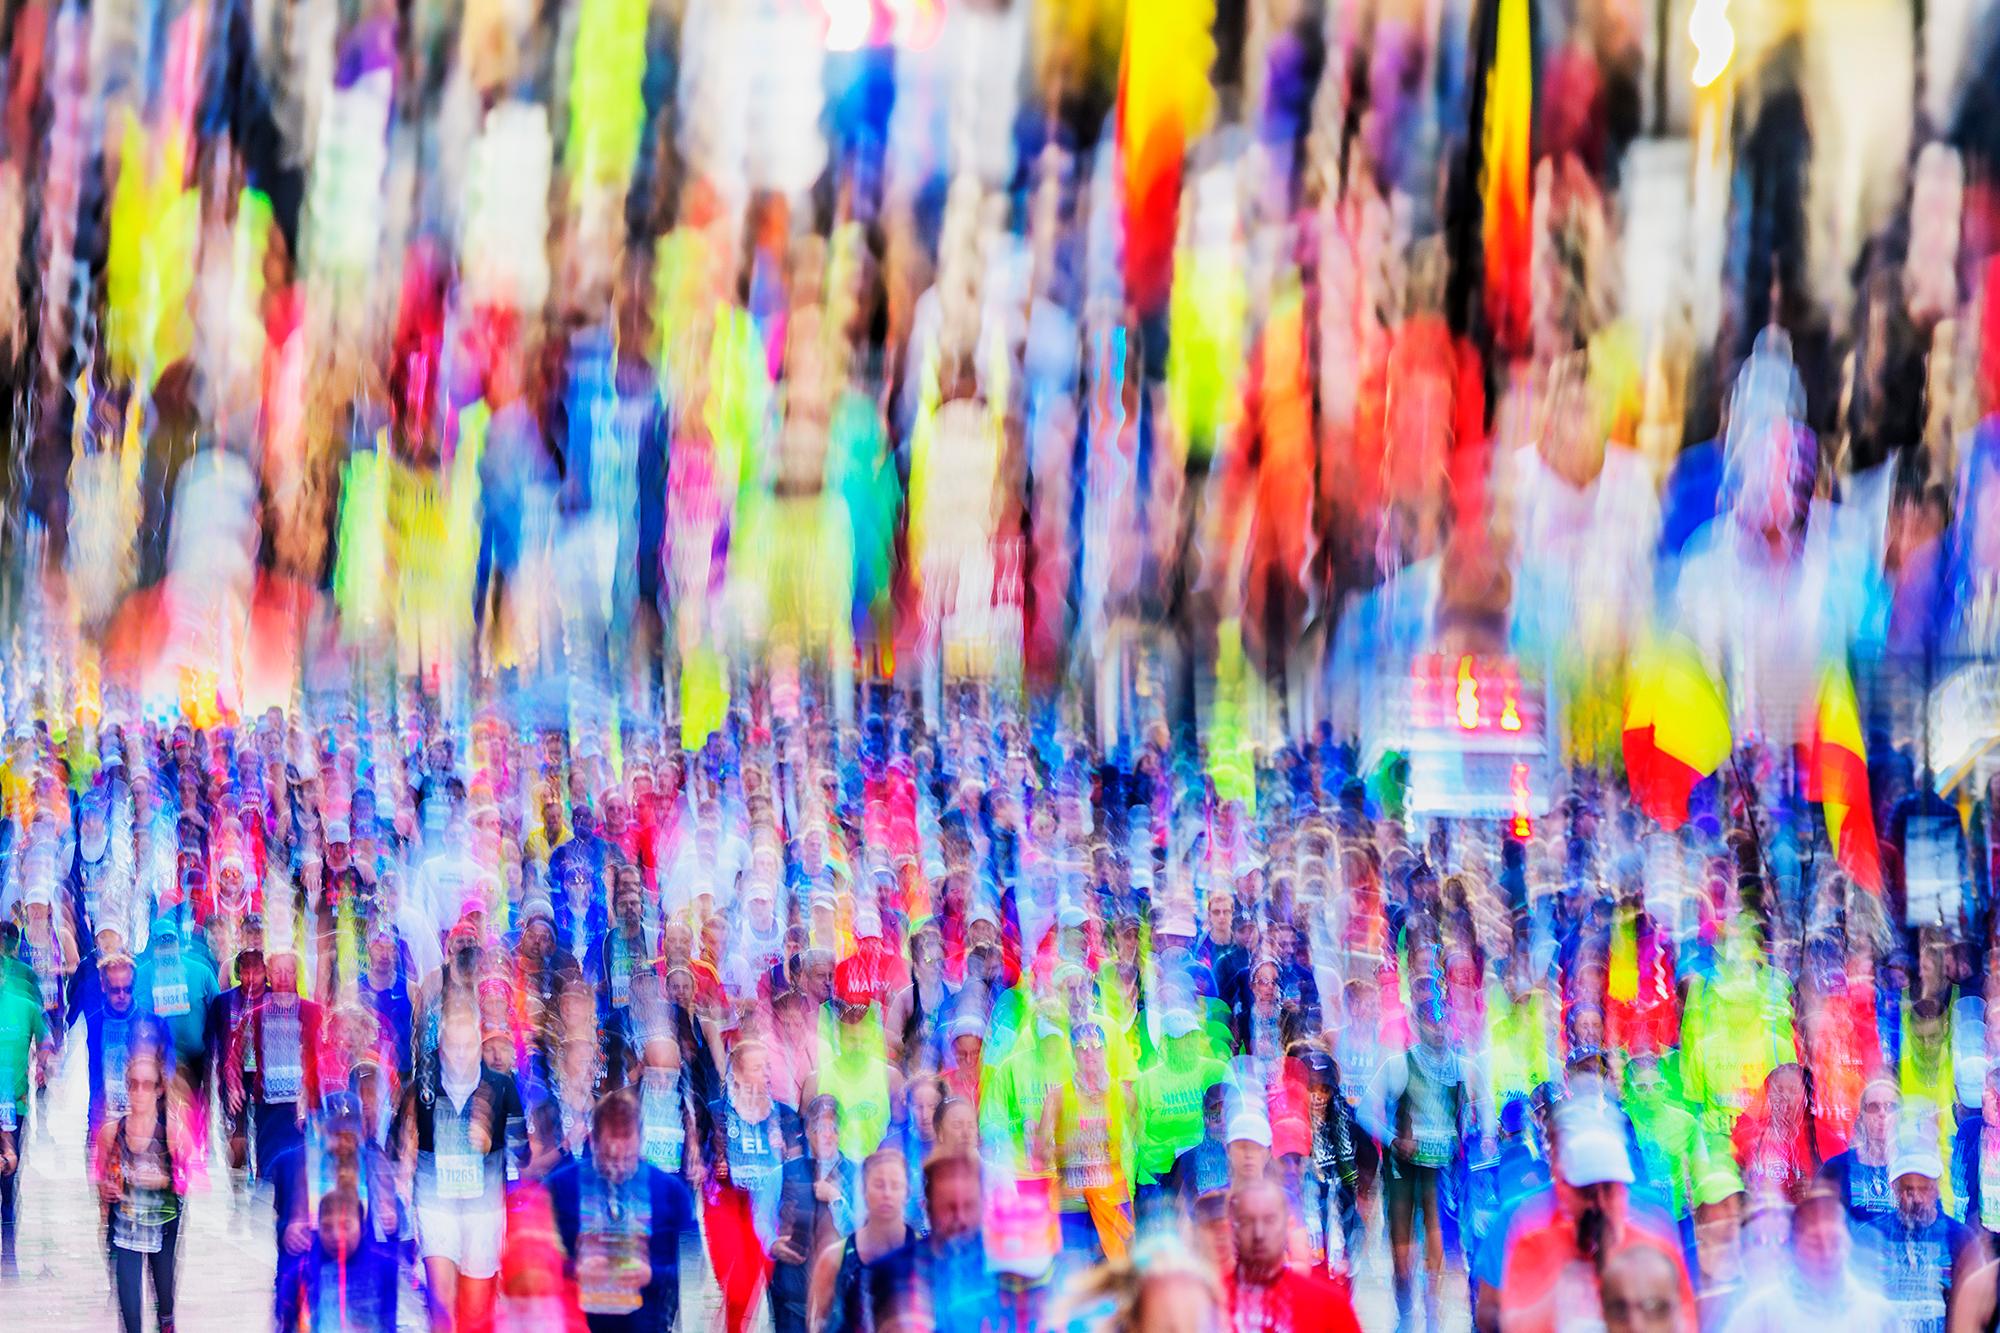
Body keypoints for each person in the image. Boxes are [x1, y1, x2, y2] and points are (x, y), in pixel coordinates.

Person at [1498, 1104, 1695, 1333]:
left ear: (1624, 1191)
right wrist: (1558, 1295)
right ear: (1565, 1192)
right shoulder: (1534, 1248)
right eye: (1588, 1192)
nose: (1599, 1204)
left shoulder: (1655, 1251)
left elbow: (1686, 1322)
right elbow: (1513, 1325)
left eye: (1609, 1189)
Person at [399, 999, 528, 1332]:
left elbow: (523, 1153)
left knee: (474, 1314)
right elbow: (403, 1138)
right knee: (442, 1306)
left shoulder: (501, 1087)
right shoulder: (424, 1083)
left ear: (479, 1045)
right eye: (452, 1046)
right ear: (440, 1048)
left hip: (483, 1212)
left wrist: (491, 1143)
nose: (459, 1055)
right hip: (435, 1205)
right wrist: (406, 1154)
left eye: (468, 1045)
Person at [547, 1088, 698, 1332]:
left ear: (641, 1141)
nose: (617, 1167)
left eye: (627, 1157)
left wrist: (652, 1275)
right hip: (577, 1322)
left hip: (647, 1321)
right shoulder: (559, 1187)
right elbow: (533, 1259)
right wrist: (572, 1269)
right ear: (592, 1141)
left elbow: (694, 1267)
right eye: (608, 1156)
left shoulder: (672, 1192)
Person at [93, 1046, 194, 1333]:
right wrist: (107, 1190)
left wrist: (162, 1180)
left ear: (159, 1089)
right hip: (125, 1230)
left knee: (164, 1301)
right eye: (133, 1085)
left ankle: (167, 1321)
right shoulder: (112, 1132)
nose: (138, 1092)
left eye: (146, 1085)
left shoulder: (172, 1131)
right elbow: (102, 1182)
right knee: (130, 1313)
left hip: (162, 1226)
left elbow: (185, 1179)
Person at [1722, 1173, 1899, 1331]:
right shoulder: (1760, 1314)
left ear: (1848, 1242)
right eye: (1815, 1243)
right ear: (1795, 1248)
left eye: (1834, 1241)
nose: (1827, 1252)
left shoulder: (1879, 1315)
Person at [1857, 1136, 1976, 1333]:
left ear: (1936, 1188)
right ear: (1895, 1190)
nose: (1917, 1198)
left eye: (1925, 1188)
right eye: (1908, 1189)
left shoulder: (1961, 1239)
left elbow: (1975, 1309)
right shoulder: (1872, 1236)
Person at [1221, 1176, 1362, 1332]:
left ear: (1289, 1226)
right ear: (1230, 1229)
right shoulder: (1207, 1302)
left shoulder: (1329, 1305)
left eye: (1269, 1220)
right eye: (1246, 1221)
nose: (1258, 1234)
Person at [812, 1146, 919, 1332]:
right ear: (864, 1190)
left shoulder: (927, 1255)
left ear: (907, 1192)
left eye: (895, 1185)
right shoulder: (834, 1258)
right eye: (878, 1184)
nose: (887, 1193)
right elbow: (819, 1322)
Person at [0, 920, 50, 1274]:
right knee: (7, 1183)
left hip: (12, 1106)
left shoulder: (25, 996)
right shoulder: (26, 994)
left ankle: (9, 1254)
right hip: (13, 1105)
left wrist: (45, 1064)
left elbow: (45, 1037)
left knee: (8, 1181)